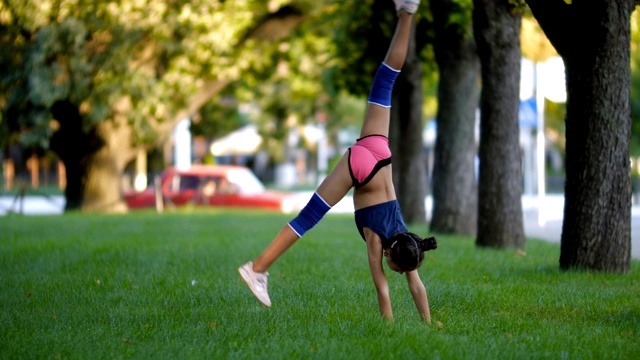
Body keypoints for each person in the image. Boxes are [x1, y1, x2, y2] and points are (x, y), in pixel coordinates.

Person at [238, 0, 437, 322]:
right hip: (362, 170)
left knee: (386, 79)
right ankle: (257, 268)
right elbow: (382, 289)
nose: (399, 273)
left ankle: (406, 12)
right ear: (390, 254)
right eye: (397, 268)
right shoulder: (378, 241)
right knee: (308, 217)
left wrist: (429, 325)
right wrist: (390, 329)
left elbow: (415, 283)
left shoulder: (408, 241)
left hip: (379, 153)